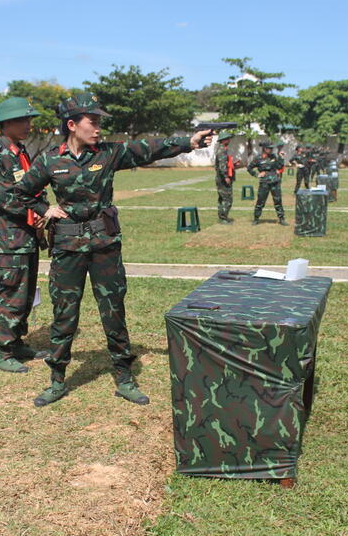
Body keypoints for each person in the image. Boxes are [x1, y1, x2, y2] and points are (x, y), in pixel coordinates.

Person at [16, 93, 212, 407]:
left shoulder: (109, 154)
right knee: (64, 312)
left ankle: (124, 376)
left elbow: (149, 148)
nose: (98, 128)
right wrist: (45, 208)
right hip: (67, 247)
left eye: (98, 122)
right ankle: (57, 380)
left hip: (104, 244)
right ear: (72, 125)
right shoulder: (51, 160)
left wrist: (189, 141)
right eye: (92, 122)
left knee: (113, 310)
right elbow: (22, 191)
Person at [0, 97, 51, 373]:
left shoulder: (19, 150)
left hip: (27, 235)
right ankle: (3, 350)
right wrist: (40, 212)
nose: (28, 124)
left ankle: (17, 341)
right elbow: (2, 196)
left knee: (25, 291)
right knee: (9, 292)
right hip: (9, 237)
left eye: (29, 119)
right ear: (6, 123)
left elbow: (31, 187)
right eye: (23, 119)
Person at [247, 142, 287, 225]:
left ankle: (281, 218)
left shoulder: (273, 156)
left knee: (278, 200)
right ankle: (256, 218)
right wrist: (257, 174)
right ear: (265, 149)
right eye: (270, 148)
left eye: (272, 148)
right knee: (260, 201)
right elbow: (249, 168)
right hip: (264, 183)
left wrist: (281, 157)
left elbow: (279, 166)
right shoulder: (258, 158)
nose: (271, 150)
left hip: (275, 182)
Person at [214, 131, 239, 224]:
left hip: (221, 178)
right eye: (227, 138)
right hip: (222, 179)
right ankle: (223, 218)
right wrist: (226, 177)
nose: (229, 140)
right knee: (227, 199)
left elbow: (225, 164)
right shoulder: (222, 151)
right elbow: (222, 166)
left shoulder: (223, 149)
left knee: (222, 199)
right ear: (223, 140)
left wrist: (234, 165)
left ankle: (222, 217)